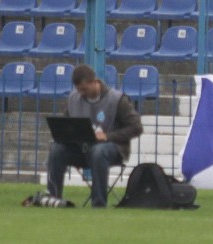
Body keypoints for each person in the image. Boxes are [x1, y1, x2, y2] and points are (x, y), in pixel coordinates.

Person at [46, 64, 143, 208]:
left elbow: (136, 127)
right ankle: (53, 198)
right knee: (56, 149)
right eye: (78, 90)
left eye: (84, 89)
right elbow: (67, 123)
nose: (81, 93)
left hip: (112, 149)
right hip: (81, 149)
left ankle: (98, 203)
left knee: (99, 151)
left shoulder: (117, 100)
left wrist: (108, 136)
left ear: (94, 82)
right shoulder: (73, 98)